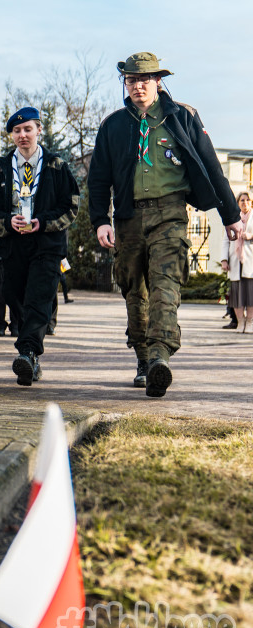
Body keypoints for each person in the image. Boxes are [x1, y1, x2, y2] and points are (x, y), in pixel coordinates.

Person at [90, 52, 241, 397]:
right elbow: (98, 178)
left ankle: (160, 357)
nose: (138, 85)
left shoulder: (182, 117)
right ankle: (144, 358)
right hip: (127, 217)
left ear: (159, 82)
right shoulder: (113, 124)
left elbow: (211, 167)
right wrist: (100, 220)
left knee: (165, 284)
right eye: (131, 80)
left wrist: (230, 215)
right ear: (125, 83)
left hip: (170, 213)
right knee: (134, 291)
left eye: (145, 79)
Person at [0, 107, 80, 386]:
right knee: (15, 297)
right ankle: (31, 355)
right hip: (12, 247)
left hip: (46, 246)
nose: (23, 135)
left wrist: (44, 222)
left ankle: (26, 352)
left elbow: (71, 207)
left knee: (39, 298)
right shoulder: (0, 171)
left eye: (28, 129)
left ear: (39, 130)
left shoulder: (57, 167)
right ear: (12, 135)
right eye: (17, 130)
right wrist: (7, 222)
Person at [221, 191, 253, 333]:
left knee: (251, 295)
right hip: (235, 261)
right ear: (237, 202)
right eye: (242, 200)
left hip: (250, 261)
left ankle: (250, 322)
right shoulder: (233, 218)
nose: (244, 203)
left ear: (251, 202)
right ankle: (240, 323)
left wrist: (251, 235)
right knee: (237, 295)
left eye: (247, 200)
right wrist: (224, 260)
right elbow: (225, 240)